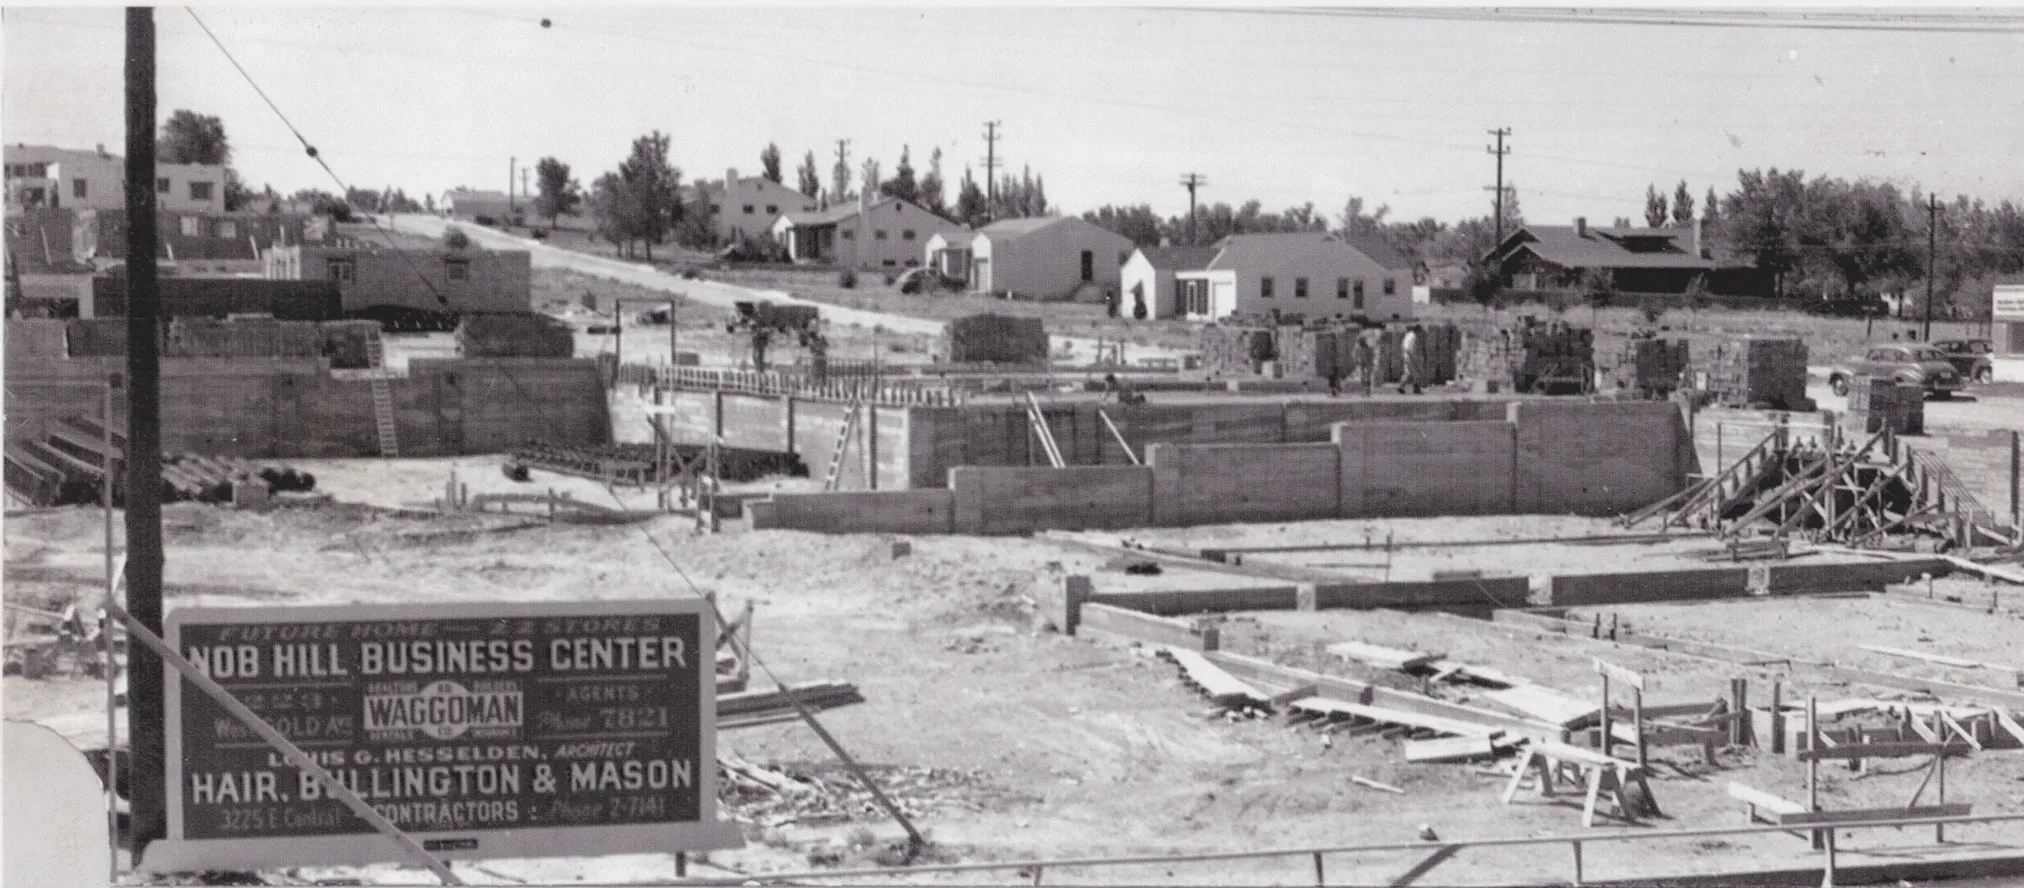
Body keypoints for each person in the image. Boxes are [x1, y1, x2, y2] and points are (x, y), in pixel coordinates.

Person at [1399, 324, 1423, 395]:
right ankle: (1416, 389)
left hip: (1406, 356)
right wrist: (1413, 359)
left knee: (1408, 373)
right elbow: (1409, 349)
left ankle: (1401, 387)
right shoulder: (1413, 337)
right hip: (1410, 357)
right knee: (1416, 372)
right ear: (1417, 330)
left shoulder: (1408, 335)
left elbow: (1403, 346)